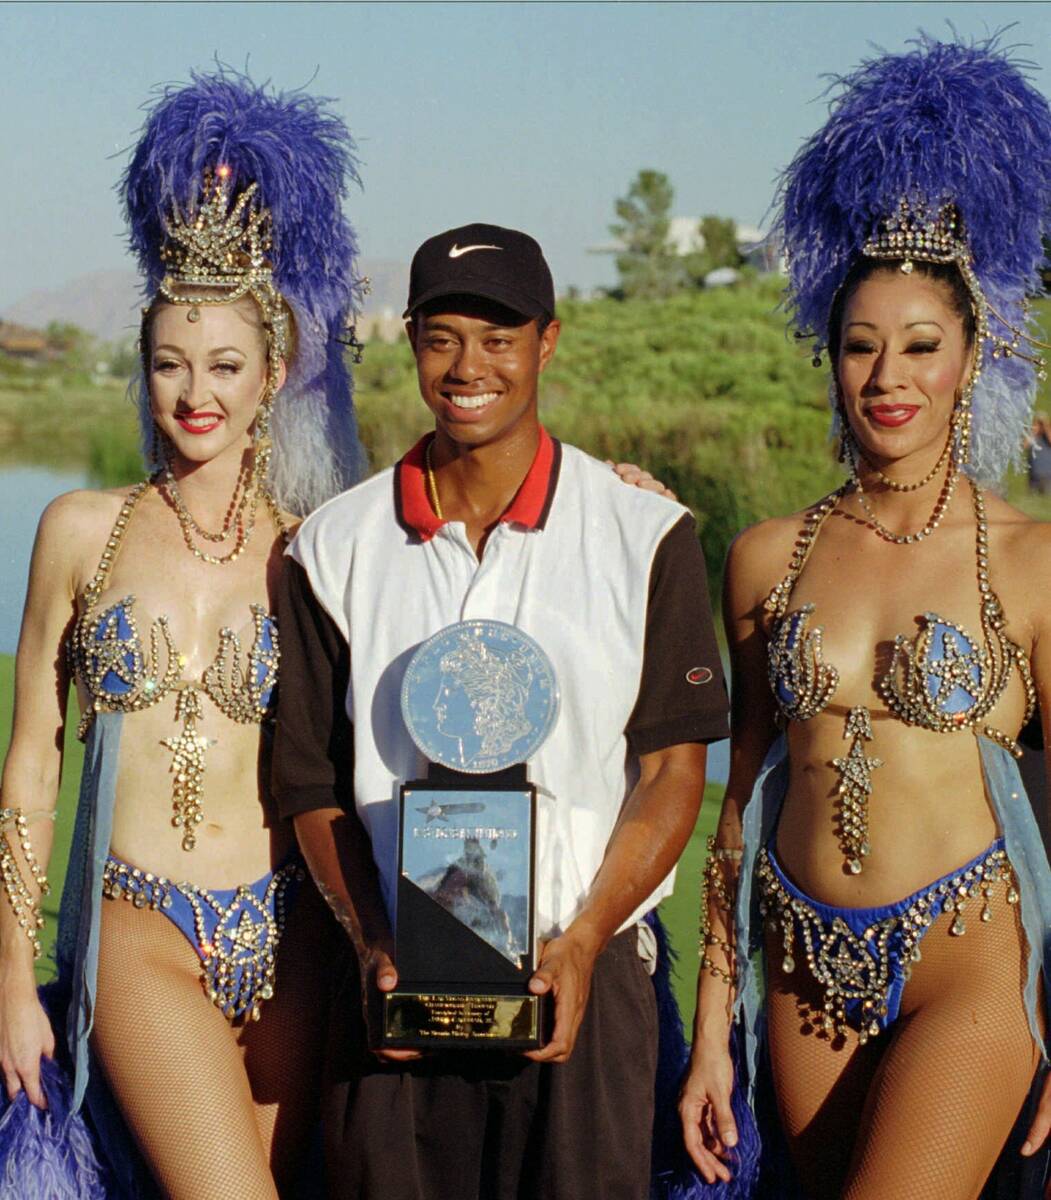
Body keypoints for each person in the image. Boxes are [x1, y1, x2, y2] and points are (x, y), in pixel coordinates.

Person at [271, 222, 730, 1200]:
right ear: (409, 341)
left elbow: (671, 772)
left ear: (547, 342)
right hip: (396, 977)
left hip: (584, 973)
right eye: (441, 337)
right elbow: (309, 781)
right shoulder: (332, 546)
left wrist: (581, 940)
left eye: (498, 336)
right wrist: (371, 943)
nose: (467, 365)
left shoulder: (644, 534)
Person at [679, 34, 1051, 1200]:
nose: (889, 374)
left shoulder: (1034, 560)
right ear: (830, 363)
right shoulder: (761, 558)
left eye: (921, 347)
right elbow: (736, 801)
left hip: (970, 970)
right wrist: (709, 1024)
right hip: (798, 971)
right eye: (859, 345)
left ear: (971, 357)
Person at [0, 70, 366, 1199]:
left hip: (290, 940)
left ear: (272, 378)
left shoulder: (322, 548)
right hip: (136, 922)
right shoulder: (81, 531)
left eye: (222, 367)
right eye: (168, 364)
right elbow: (29, 765)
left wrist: (626, 493)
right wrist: (14, 980)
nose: (192, 394)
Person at [1028, 414, 1051, 496]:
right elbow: (1024, 445)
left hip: (1048, 477)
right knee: (1032, 502)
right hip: (1034, 476)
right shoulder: (1033, 436)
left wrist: (1046, 427)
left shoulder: (1048, 435)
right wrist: (1034, 430)